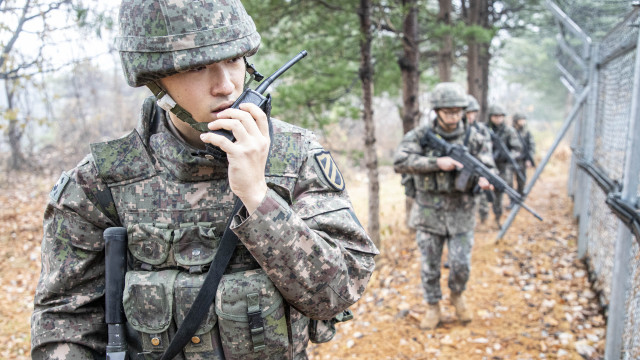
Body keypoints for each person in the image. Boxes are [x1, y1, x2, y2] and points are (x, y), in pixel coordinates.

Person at [30, 1, 378, 359]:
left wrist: (259, 199)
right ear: (155, 80)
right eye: (198, 67)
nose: (225, 86)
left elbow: (338, 292)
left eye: (233, 60)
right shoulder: (101, 181)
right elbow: (64, 322)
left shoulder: (295, 157)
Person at [393, 83, 495, 330]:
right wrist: (437, 162)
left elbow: (490, 168)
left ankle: (457, 294)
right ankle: (432, 306)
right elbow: (400, 161)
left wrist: (485, 179)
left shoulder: (476, 138)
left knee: (461, 264)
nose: (453, 116)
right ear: (437, 111)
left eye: (458, 111)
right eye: (447, 111)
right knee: (429, 265)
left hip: (462, 213)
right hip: (429, 213)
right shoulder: (420, 135)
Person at [487, 104, 522, 228]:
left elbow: (517, 149)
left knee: (500, 191)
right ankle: (483, 217)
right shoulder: (485, 130)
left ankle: (498, 218)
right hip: (486, 165)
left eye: (500, 116)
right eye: (495, 116)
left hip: (503, 166)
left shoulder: (508, 131)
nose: (498, 119)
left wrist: (508, 156)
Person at [465, 95, 492, 225]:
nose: (470, 116)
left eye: (473, 113)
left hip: (478, 166)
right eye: (467, 113)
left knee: (481, 196)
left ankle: (483, 218)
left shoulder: (481, 130)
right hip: (462, 168)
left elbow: (486, 151)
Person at [512, 113, 536, 195]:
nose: (522, 122)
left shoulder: (527, 133)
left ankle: (519, 195)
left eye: (523, 120)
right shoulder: (510, 131)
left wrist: (529, 159)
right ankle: (512, 196)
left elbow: (531, 146)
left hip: (522, 160)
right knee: (508, 180)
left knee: (521, 180)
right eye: (520, 120)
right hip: (511, 159)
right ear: (516, 121)